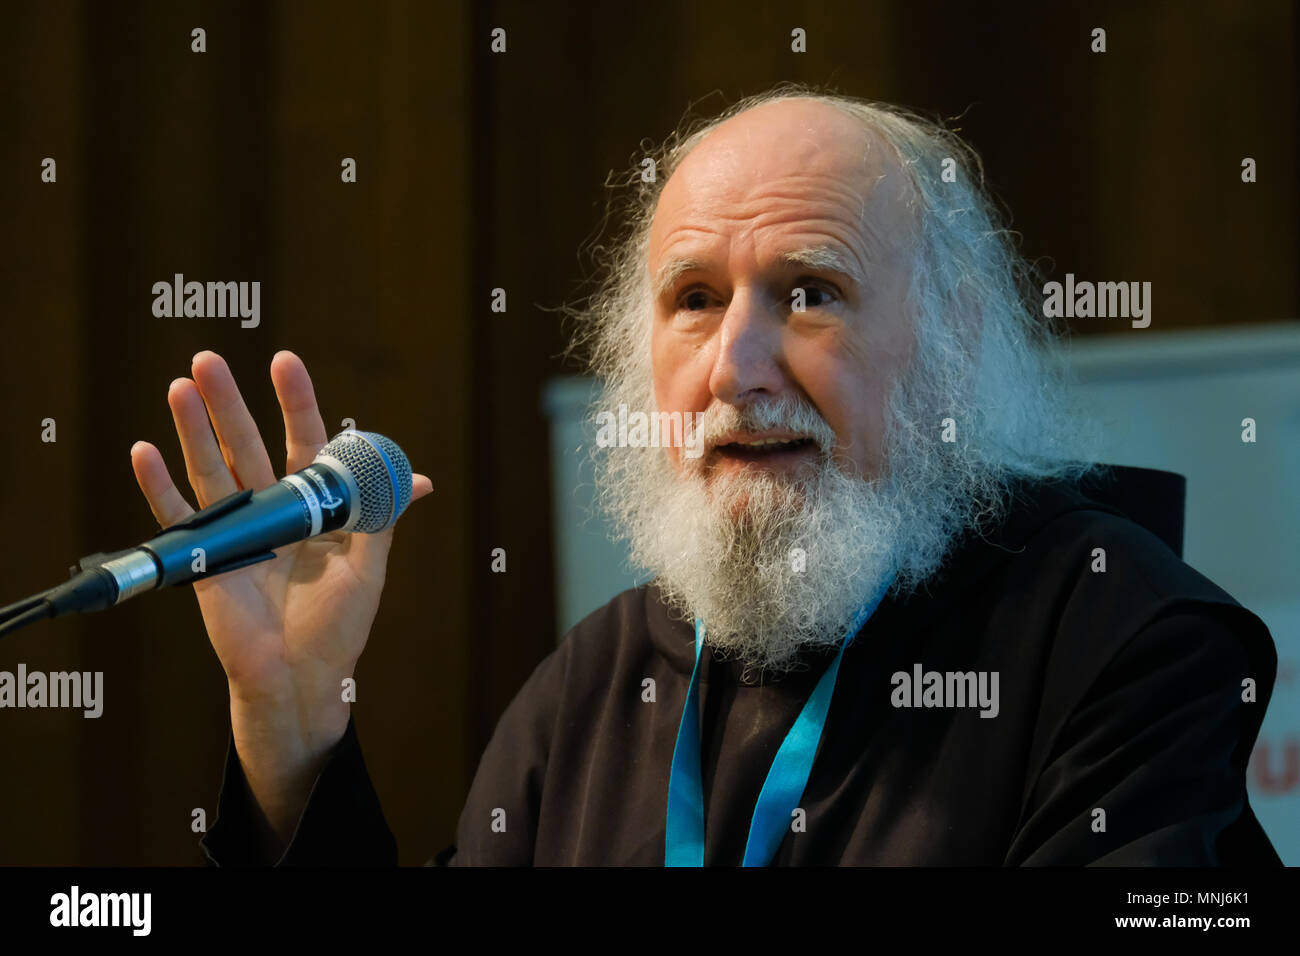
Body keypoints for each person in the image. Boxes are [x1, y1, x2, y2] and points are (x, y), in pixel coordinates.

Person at [130, 86, 1280, 866]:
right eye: (693, 300)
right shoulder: (594, 682)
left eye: (810, 291)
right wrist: (288, 729)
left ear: (951, 335)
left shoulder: (1123, 643)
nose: (736, 364)